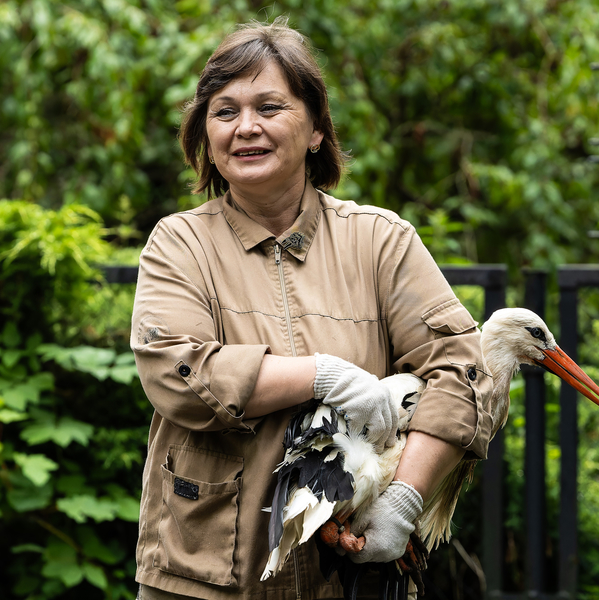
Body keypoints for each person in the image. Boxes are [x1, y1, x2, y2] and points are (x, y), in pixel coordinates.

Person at [130, 16, 495, 600]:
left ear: (317, 129)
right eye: (225, 112)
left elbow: (462, 373)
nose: (245, 127)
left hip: (353, 579)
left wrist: (403, 500)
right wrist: (326, 376)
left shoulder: (380, 241)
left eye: (270, 107)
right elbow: (179, 372)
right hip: (208, 579)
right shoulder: (180, 244)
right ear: (206, 135)